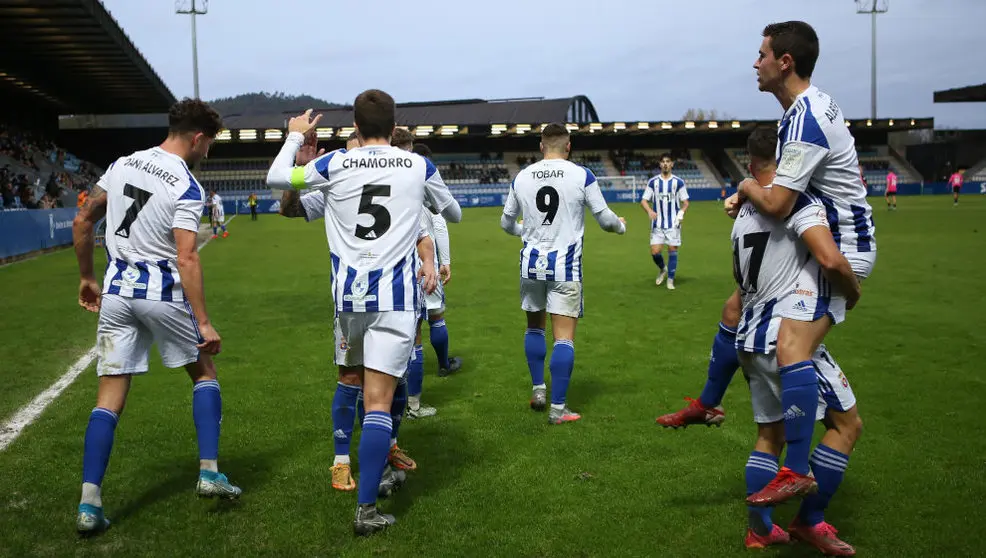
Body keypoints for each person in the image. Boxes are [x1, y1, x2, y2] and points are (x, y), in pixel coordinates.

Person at [266, 89, 462, 536]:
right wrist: (424, 202)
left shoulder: (335, 163)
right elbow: (452, 211)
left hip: (348, 300)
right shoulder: (417, 164)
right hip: (395, 300)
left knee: (356, 384)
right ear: (394, 129)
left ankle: (372, 463)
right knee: (377, 401)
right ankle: (366, 508)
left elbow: (279, 178)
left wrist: (296, 138)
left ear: (355, 126)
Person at [70, 98, 237, 535]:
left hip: (117, 293)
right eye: (209, 145)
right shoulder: (186, 184)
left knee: (108, 398)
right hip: (159, 290)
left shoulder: (123, 163)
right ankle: (209, 472)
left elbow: (84, 220)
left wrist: (88, 277)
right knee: (204, 373)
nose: (207, 153)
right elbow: (187, 257)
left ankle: (89, 503)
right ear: (198, 138)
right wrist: (203, 322)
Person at [728, 21, 875, 502]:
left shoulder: (806, 117)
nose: (756, 62)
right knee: (786, 347)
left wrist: (747, 187)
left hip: (839, 246)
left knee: (790, 345)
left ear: (784, 61)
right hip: (831, 240)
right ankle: (808, 512)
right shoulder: (802, 111)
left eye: (762, 53)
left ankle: (795, 470)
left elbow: (777, 205)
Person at [731, 127, 863, 556]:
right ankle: (808, 520)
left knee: (769, 433)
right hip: (785, 338)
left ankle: (759, 531)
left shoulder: (745, 211)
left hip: (748, 337)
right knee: (846, 426)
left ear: (750, 163)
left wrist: (742, 189)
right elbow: (828, 258)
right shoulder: (799, 203)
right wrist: (851, 290)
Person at [500, 123, 626, 424]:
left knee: (534, 328)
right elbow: (606, 220)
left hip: (531, 264)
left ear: (541, 146)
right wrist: (621, 225)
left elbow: (506, 224)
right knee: (563, 337)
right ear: (568, 146)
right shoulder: (581, 174)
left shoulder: (522, 177)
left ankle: (538, 389)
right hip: (565, 266)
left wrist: (526, 232)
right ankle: (558, 410)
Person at [639, 153, 689, 290]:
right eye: (663, 162)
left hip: (673, 223)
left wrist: (681, 213)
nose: (665, 164)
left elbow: (685, 202)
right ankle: (663, 269)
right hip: (658, 224)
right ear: (660, 164)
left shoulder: (678, 182)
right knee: (655, 252)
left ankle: (670, 280)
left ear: (672, 164)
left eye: (668, 161)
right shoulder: (653, 182)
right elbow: (643, 201)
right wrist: (649, 211)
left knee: (672, 250)